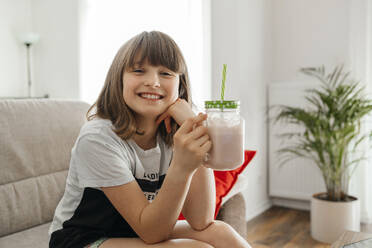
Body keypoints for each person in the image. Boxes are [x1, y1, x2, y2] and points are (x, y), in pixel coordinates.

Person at [48, 31, 251, 248]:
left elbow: (202, 220)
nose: (153, 82)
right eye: (138, 70)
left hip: (130, 230)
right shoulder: (98, 139)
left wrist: (194, 127)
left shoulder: (176, 132)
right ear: (119, 79)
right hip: (82, 239)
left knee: (220, 233)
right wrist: (182, 166)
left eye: (165, 73)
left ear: (180, 85)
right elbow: (153, 233)